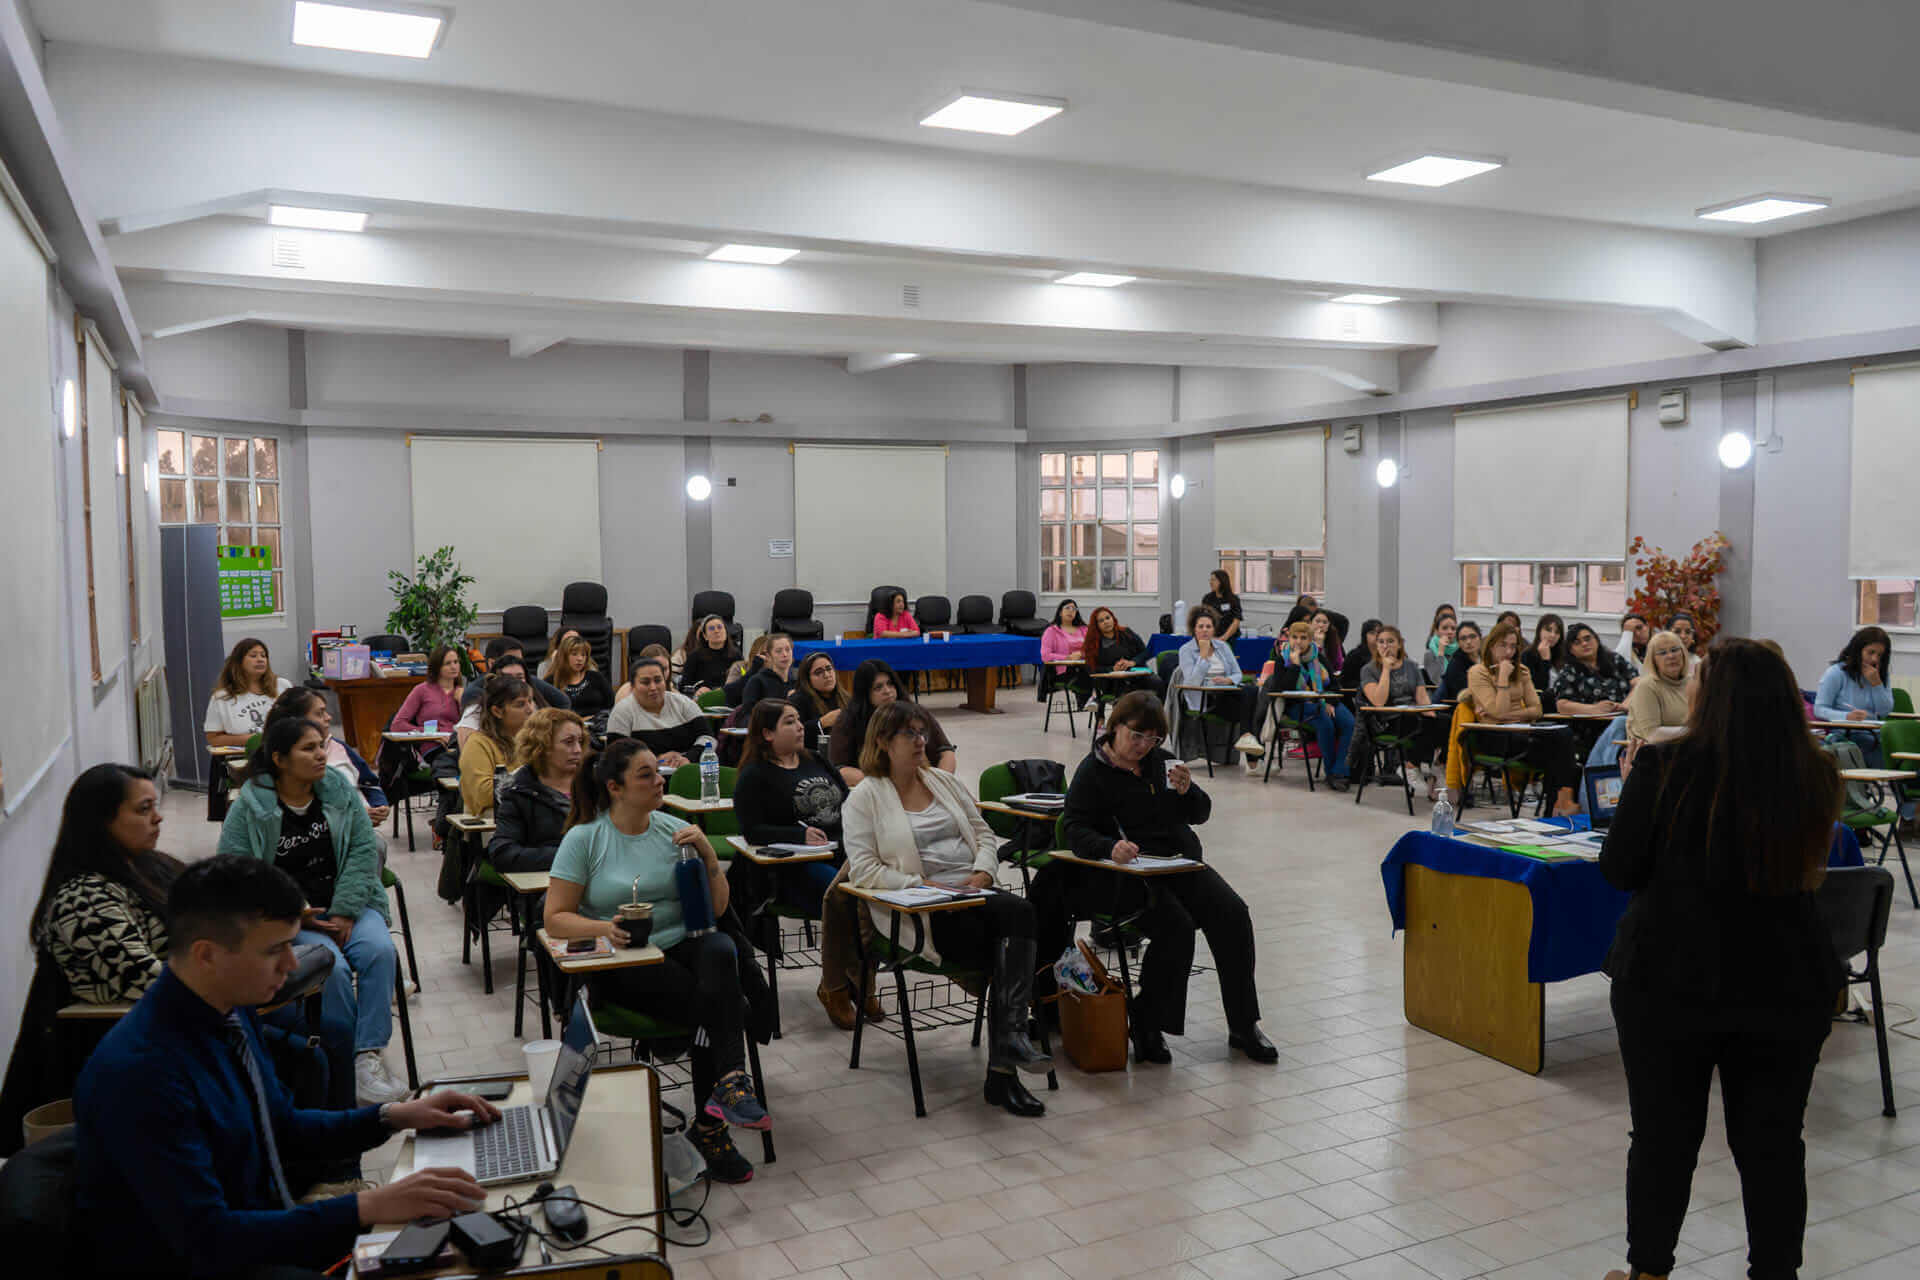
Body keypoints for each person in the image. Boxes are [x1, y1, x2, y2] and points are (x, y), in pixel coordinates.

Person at [72, 855, 499, 1280]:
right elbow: (207, 1239)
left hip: (253, 1238)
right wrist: (365, 1207)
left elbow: (280, 1127)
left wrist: (394, 1116)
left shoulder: (230, 1012)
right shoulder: (141, 1074)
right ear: (206, 955)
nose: (292, 965)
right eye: (275, 950)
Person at [1597, 639, 1845, 1280]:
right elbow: (1808, 872)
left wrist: (1633, 794)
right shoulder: (1816, 772)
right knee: (1772, 1144)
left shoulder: (1663, 765)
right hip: (1786, 978)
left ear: (1710, 697)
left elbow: (1621, 869)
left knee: (1662, 1136)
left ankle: (1649, 1271)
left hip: (1670, 976)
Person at [545, 738, 767, 1184]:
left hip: (680, 949)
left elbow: (719, 910)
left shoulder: (673, 829)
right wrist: (603, 927)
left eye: (657, 772)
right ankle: (713, 1126)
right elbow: (555, 919)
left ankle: (721, 1098)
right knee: (727, 1008)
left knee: (721, 948)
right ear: (615, 787)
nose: (658, 781)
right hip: (622, 960)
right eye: (645, 774)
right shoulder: (585, 838)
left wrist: (708, 856)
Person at [842, 700, 1053, 1117]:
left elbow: (985, 836)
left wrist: (982, 875)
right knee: (1007, 943)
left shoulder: (943, 782)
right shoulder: (864, 798)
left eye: (923, 733)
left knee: (1022, 913)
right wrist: (921, 886)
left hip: (973, 895)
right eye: (911, 735)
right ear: (884, 742)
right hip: (919, 912)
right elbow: (864, 871)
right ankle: (1003, 1069)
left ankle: (1006, 1056)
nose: (922, 742)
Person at [1040, 692, 1275, 1065]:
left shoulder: (1160, 763)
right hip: (1122, 874)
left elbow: (1200, 813)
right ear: (1114, 727)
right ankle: (1147, 1024)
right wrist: (1108, 846)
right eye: (1136, 736)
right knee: (1176, 928)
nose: (1143, 746)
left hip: (1176, 863)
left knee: (1233, 913)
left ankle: (1244, 1024)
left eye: (1153, 739)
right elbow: (1073, 829)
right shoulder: (1093, 771)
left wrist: (1188, 791)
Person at [217, 716, 408, 1105]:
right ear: (279, 758)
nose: (322, 754)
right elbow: (237, 869)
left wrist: (345, 909)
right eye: (309, 748)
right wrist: (296, 911)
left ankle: (365, 1057)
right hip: (290, 918)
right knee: (331, 969)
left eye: (321, 745)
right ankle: (340, 1058)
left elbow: (361, 849)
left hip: (350, 903)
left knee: (380, 952)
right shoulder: (251, 806)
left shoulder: (337, 790)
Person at [32, 764, 183, 1004]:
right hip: (116, 1031)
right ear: (101, 821)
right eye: (144, 809)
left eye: (154, 806)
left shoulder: (150, 864)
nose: (158, 817)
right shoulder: (83, 899)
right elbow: (147, 981)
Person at [733, 698, 847, 918]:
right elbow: (752, 831)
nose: (800, 726)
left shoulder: (815, 760)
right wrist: (799, 835)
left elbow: (847, 800)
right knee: (844, 895)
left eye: (799, 720)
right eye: (789, 722)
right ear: (768, 734)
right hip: (797, 866)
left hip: (842, 850)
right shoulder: (755, 775)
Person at [1465, 621, 1581, 817]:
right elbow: (1498, 710)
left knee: (1562, 735)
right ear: (1491, 645)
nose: (1509, 652)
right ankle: (1558, 805)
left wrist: (1506, 716)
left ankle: (1556, 805)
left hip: (1522, 731)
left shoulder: (1522, 671)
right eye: (1503, 645)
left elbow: (1536, 710)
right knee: (1558, 748)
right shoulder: (1478, 673)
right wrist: (1502, 678)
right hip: (1494, 737)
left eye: (1513, 646)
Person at [268, 688, 391, 834]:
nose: (328, 717)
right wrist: (353, 816)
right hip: (315, 835)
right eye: (320, 713)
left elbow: (370, 784)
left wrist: (379, 806)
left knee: (377, 847)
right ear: (297, 720)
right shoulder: (282, 760)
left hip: (358, 831)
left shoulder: (340, 747)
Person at [488, 707, 588, 874]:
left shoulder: (596, 784)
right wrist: (569, 856)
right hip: (551, 884)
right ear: (543, 746)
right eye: (569, 742)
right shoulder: (519, 792)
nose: (578, 749)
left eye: (580, 741)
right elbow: (503, 854)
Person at [828, 658, 955, 787]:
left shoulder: (915, 713)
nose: (887, 691)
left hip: (921, 784)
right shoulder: (849, 720)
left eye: (890, 684)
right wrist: (887, 784)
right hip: (873, 789)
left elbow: (946, 752)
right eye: (878, 687)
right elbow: (839, 770)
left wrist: (940, 783)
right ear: (865, 694)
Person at [1355, 625, 1448, 799]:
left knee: (1445, 721)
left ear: (1399, 644)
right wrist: (1386, 670)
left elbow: (1421, 697)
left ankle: (1438, 763)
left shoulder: (1411, 666)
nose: (1385, 646)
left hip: (1413, 716)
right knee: (1415, 722)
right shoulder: (1368, 669)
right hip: (1386, 722)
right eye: (1381, 642)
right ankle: (1410, 766)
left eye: (1390, 641)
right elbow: (1378, 701)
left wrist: (1433, 719)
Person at [1264, 619, 1356, 789]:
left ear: (1310, 640)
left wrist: (1328, 701)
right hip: (1297, 705)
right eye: (1295, 637)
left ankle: (1339, 769)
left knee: (1350, 723)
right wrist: (1295, 665)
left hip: (1325, 699)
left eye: (1303, 638)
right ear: (1289, 638)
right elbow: (1283, 689)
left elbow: (1335, 685)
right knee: (1325, 722)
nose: (1298, 642)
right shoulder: (1282, 659)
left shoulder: (1318, 657)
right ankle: (1332, 773)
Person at [1175, 607, 1262, 762]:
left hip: (1227, 691)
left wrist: (1228, 680)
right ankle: (1254, 758)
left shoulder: (1222, 646)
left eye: (1208, 627)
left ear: (1214, 629)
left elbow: (1237, 673)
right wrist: (1203, 656)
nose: (1205, 630)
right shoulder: (1186, 651)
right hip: (1206, 698)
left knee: (1252, 692)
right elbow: (1192, 682)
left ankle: (1247, 738)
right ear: (1193, 629)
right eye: (1200, 627)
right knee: (1250, 707)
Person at [607, 656, 709, 765]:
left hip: (686, 771)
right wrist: (656, 760)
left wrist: (689, 758)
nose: (653, 687)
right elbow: (616, 754)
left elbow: (708, 737)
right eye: (645, 682)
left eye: (658, 680)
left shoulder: (683, 702)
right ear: (632, 686)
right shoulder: (622, 712)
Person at [1815, 625, 1895, 765]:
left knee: (1898, 744)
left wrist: (1876, 684)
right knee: (1874, 747)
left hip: (1875, 731)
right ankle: (1890, 784)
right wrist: (1846, 716)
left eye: (1880, 655)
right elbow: (1820, 709)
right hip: (1847, 733)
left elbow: (1884, 711)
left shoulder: (1880, 675)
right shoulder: (1836, 673)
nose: (1874, 659)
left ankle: (1900, 784)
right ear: (1858, 650)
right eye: (1870, 653)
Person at [459, 675, 536, 817]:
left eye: (530, 702)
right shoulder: (478, 744)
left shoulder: (534, 740)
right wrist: (529, 777)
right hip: (496, 822)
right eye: (520, 704)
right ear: (497, 711)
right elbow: (483, 795)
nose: (530, 709)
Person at [204, 637, 293, 747]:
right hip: (240, 757)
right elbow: (213, 739)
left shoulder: (282, 685)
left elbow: (299, 721)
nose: (260, 659)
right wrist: (254, 740)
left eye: (263, 655)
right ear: (238, 662)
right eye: (253, 656)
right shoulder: (222, 696)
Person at [390, 643, 464, 763]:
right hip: (432, 746)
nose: (454, 667)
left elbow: (472, 724)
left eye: (456, 662)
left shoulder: (462, 692)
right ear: (437, 667)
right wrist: (431, 734)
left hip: (458, 744)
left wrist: (462, 701)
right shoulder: (422, 690)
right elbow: (397, 725)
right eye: (448, 663)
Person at [1624, 630, 1692, 744]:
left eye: (1674, 650)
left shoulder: (1694, 681)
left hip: (1687, 746)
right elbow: (1652, 734)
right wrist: (1693, 732)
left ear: (1683, 653)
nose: (1671, 656)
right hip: (1653, 752)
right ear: (1653, 660)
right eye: (1662, 653)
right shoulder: (1647, 686)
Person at [1081, 606, 1151, 701]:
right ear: (1096, 625)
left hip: (1136, 674)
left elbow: (1145, 652)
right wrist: (1112, 669)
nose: (1106, 622)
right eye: (1101, 621)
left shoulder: (1127, 632)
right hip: (1111, 681)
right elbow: (1091, 668)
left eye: (1108, 618)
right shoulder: (1092, 643)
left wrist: (1132, 662)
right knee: (1126, 691)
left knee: (1157, 682)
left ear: (1113, 619)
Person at [1040, 598, 1091, 710]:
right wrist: (1067, 657)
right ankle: (1090, 701)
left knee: (1101, 670)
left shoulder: (1084, 629)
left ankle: (1095, 702)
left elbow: (1093, 649)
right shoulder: (1051, 631)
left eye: (1074, 609)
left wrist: (1081, 654)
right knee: (1087, 673)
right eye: (1067, 608)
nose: (1071, 611)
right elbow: (1045, 656)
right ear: (1060, 612)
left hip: (1084, 667)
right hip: (1062, 672)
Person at [791, 651, 847, 751]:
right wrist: (821, 723)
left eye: (829, 669)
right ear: (807, 679)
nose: (826, 675)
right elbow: (793, 734)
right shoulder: (798, 700)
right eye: (818, 672)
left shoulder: (846, 697)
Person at [549, 634, 613, 722]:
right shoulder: (551, 681)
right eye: (574, 654)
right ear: (564, 657)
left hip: (597, 725)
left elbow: (611, 705)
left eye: (583, 655)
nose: (580, 659)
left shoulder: (596, 677)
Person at [738, 631, 798, 715]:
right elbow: (749, 715)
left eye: (788, 650)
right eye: (778, 651)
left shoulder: (798, 682)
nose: (784, 654)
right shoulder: (757, 681)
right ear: (769, 656)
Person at [679, 614, 739, 696]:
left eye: (720, 627)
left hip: (729, 698)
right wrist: (697, 690)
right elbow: (684, 686)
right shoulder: (694, 657)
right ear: (705, 636)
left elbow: (743, 679)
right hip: (703, 699)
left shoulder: (736, 655)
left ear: (726, 632)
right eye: (711, 628)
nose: (716, 631)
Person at [1522, 613, 1567, 707]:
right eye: (1548, 630)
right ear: (1539, 631)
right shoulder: (1527, 655)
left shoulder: (1564, 656)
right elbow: (1539, 689)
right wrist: (1545, 661)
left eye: (1557, 632)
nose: (1552, 635)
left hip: (1563, 706)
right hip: (1540, 707)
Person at [1437, 620, 1482, 703]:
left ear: (1480, 638)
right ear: (1458, 643)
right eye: (1463, 638)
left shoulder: (1486, 658)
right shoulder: (1455, 664)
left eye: (1472, 636)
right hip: (1461, 706)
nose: (1468, 642)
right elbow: (1463, 695)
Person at [724, 634, 771, 707]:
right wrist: (754, 669)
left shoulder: (780, 670)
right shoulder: (740, 666)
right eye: (764, 654)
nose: (768, 658)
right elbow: (729, 692)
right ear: (754, 653)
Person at [1200, 569, 1243, 641]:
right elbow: (1203, 618)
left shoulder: (1233, 599)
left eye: (1213, 580)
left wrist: (1224, 637)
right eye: (1210, 580)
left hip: (1230, 638)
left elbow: (1236, 621)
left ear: (1222, 581)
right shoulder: (1207, 598)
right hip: (1212, 637)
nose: (1211, 582)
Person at [1421, 609, 1457, 687]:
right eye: (1445, 628)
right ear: (1437, 631)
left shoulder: (1460, 651)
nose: (1450, 632)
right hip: (1439, 696)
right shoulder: (1429, 654)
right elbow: (1439, 681)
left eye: (1453, 629)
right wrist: (1440, 652)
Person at [1668, 611, 1705, 678]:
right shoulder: (1658, 659)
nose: (1683, 636)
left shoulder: (1697, 663)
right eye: (1677, 631)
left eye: (1688, 632)